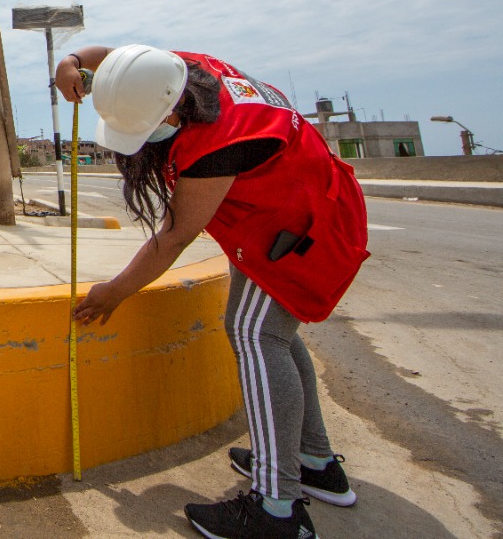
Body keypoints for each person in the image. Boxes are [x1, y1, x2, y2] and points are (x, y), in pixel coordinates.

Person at [56, 45, 369, 539]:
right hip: (283, 221)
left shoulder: (217, 144)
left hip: (306, 232)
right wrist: (71, 61)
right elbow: (119, 56)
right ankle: (313, 461)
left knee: (256, 334)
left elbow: (175, 235)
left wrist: (115, 292)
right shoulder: (182, 69)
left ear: (172, 111)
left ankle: (278, 508)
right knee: (274, 335)